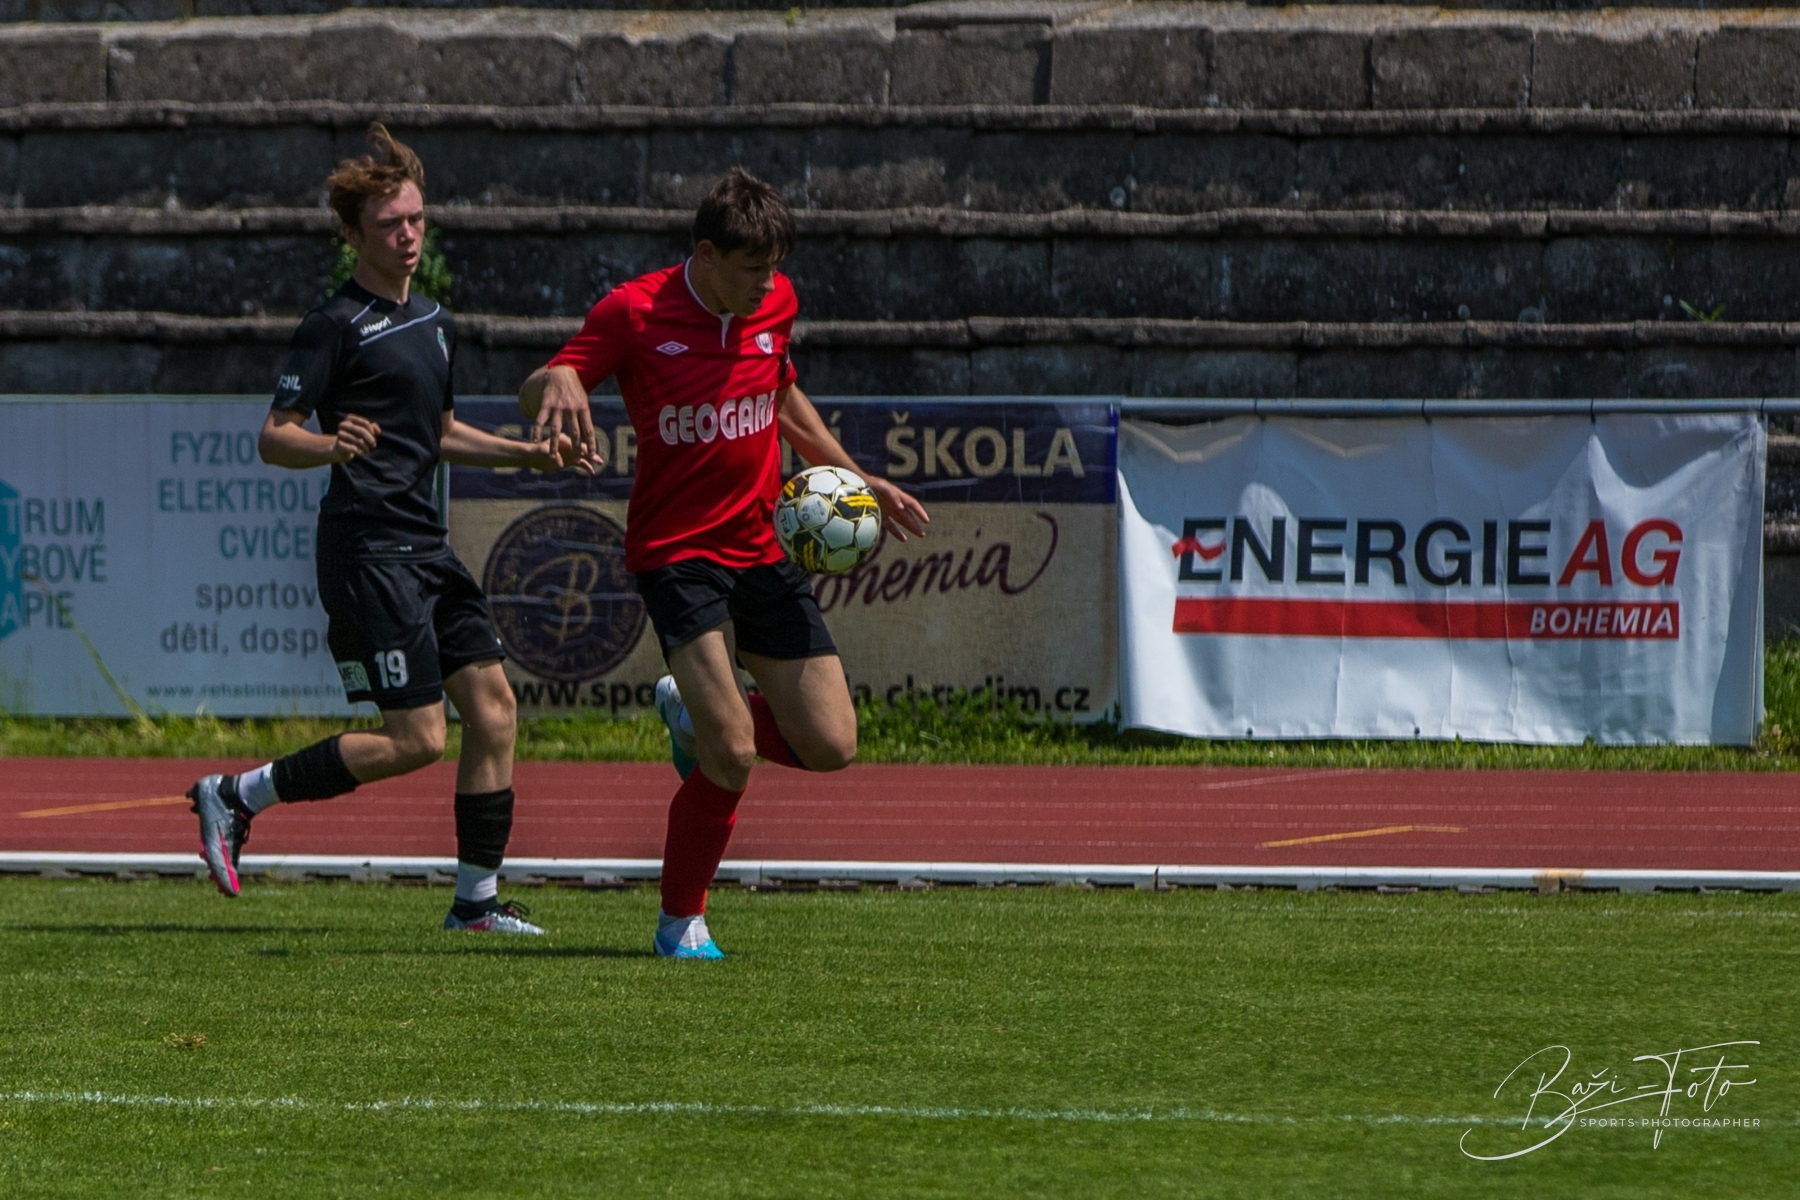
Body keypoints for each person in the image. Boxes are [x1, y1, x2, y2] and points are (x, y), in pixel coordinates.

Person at [518, 167, 930, 959]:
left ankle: (691, 713)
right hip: (677, 556)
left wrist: (855, 476)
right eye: (751, 269)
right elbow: (537, 393)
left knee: (832, 743)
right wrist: (561, 376)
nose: (767, 284)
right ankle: (681, 922)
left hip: (763, 547)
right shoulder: (633, 311)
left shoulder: (775, 303)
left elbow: (781, 395)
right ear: (705, 255)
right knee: (733, 751)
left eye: (774, 269)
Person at [187, 124, 587, 934]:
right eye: (389, 225)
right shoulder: (333, 325)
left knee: (496, 710)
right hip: (368, 550)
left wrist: (526, 456)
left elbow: (439, 431)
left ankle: (475, 905)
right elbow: (274, 437)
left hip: (425, 546)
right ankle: (236, 794)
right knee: (417, 740)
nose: (408, 236)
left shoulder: (436, 322)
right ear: (353, 236)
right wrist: (331, 444)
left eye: (416, 219)